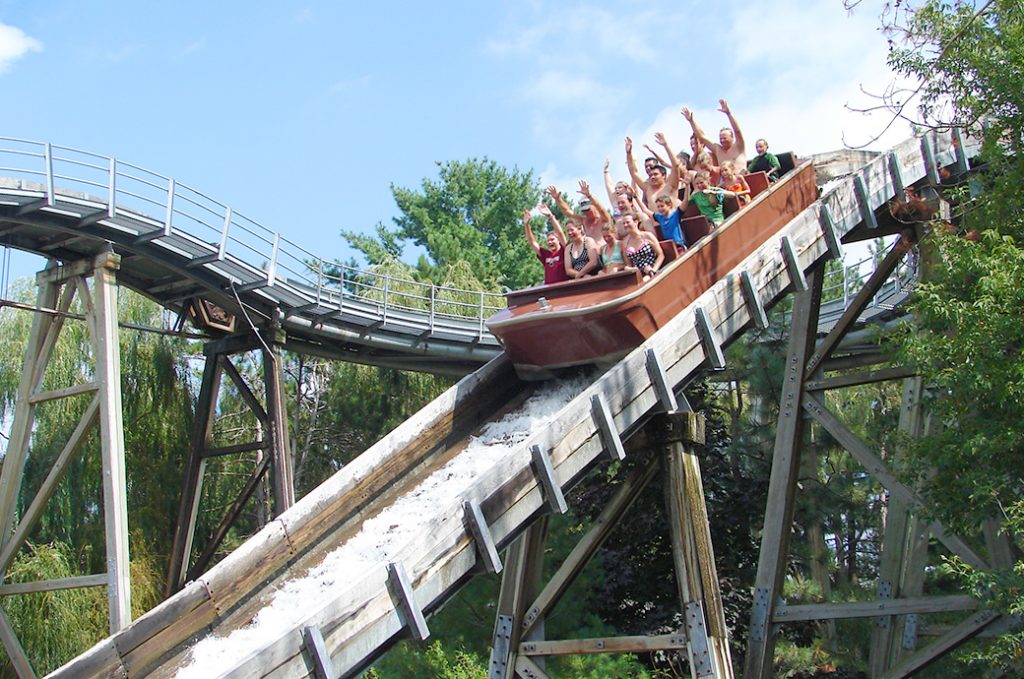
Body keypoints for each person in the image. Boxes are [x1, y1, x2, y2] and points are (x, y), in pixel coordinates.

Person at [681, 99, 747, 171]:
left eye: (724, 138)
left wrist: (729, 114)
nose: (722, 140)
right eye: (720, 138)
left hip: (742, 178)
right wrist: (691, 121)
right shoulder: (718, 149)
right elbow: (702, 137)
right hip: (726, 181)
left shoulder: (739, 145)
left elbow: (737, 131)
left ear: (732, 137)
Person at [626, 132, 683, 210]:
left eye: (655, 174)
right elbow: (634, 172)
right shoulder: (648, 188)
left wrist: (666, 145)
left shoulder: (671, 185)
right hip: (655, 221)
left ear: (663, 175)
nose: (652, 177)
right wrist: (628, 153)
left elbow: (675, 165)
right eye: (650, 175)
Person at [546, 181, 612, 242]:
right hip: (591, 252)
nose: (586, 213)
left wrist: (589, 196)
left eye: (588, 209)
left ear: (594, 206)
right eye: (584, 210)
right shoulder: (584, 220)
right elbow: (568, 212)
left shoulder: (604, 219)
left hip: (606, 252)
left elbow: (601, 209)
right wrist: (558, 199)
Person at [522, 205, 568, 285]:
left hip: (564, 288)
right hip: (549, 290)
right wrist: (526, 225)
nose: (550, 242)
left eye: (552, 239)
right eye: (548, 241)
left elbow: (560, 234)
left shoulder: (565, 250)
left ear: (558, 240)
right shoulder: (546, 255)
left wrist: (550, 216)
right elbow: (532, 242)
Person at [619, 210, 664, 282]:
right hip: (637, 275)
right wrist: (628, 268)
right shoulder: (625, 242)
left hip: (651, 270)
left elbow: (661, 255)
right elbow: (629, 264)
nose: (625, 225)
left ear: (636, 222)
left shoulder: (647, 236)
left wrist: (653, 270)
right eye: (624, 223)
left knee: (644, 281)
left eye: (628, 222)